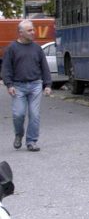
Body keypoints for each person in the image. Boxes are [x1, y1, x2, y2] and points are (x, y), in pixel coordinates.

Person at [1, 20, 52, 151]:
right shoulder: (12, 48)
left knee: (34, 114)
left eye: (33, 29)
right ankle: (19, 134)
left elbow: (45, 68)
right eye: (30, 30)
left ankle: (31, 141)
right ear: (21, 33)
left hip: (35, 85)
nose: (33, 32)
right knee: (19, 114)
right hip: (18, 86)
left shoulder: (37, 48)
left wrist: (47, 85)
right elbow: (6, 68)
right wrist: (9, 84)